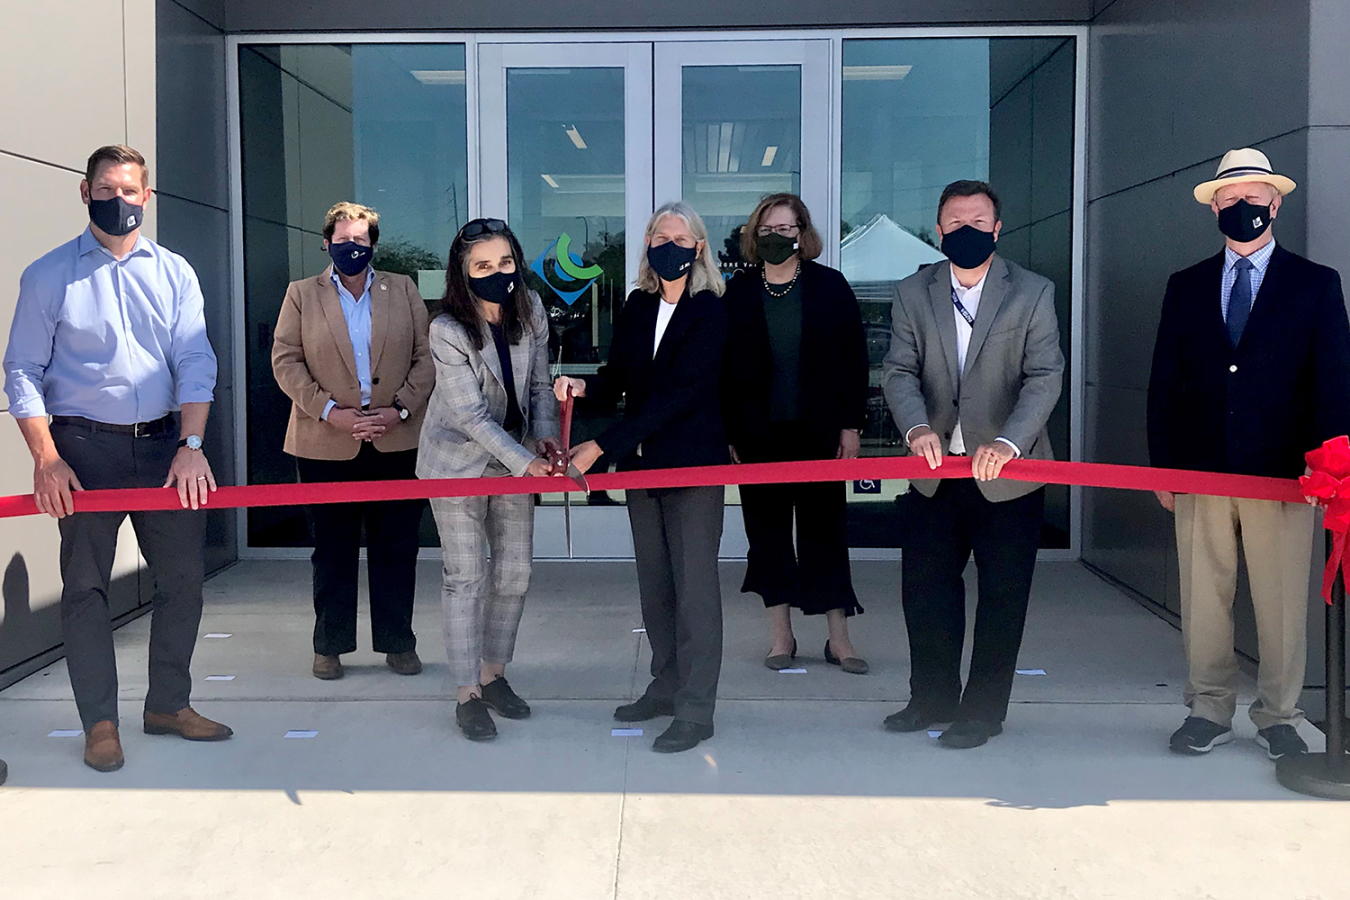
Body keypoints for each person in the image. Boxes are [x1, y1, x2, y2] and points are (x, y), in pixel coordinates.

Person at [2, 145, 231, 773]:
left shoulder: (176, 273)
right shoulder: (49, 275)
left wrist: (191, 446)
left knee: (183, 581)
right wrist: (46, 458)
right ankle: (100, 723)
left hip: (165, 449)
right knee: (85, 590)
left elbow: (195, 362)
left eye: (131, 190)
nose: (120, 200)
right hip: (83, 450)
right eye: (107, 188)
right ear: (84, 193)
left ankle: (167, 705)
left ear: (146, 197)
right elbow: (21, 369)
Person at [1148, 148, 1350, 761]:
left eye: (1253, 197)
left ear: (1276, 202)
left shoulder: (1316, 284)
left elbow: (1333, 382)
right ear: (1214, 210)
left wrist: (1329, 468)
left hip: (1286, 475)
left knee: (1282, 600)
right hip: (1202, 469)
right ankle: (1208, 708)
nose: (1242, 208)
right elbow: (1166, 382)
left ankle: (1278, 716)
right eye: (1229, 199)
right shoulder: (1184, 286)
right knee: (1203, 597)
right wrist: (1165, 468)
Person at [881, 180, 1064, 749]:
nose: (967, 230)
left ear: (997, 228)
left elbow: (1045, 376)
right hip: (935, 473)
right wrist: (915, 428)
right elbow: (899, 371)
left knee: (1003, 597)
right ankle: (930, 697)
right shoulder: (914, 291)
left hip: (1008, 476)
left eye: (978, 221)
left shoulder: (1031, 292)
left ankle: (982, 711)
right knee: (926, 591)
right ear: (938, 229)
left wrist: (1009, 443)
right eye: (955, 222)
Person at [556, 201, 729, 754]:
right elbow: (619, 378)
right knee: (656, 585)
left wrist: (603, 445)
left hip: (692, 465)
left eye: (680, 237)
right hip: (643, 467)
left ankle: (696, 708)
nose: (668, 244)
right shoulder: (636, 305)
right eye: (659, 235)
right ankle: (666, 684)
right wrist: (585, 389)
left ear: (699, 248)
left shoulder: (711, 311)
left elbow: (682, 394)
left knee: (696, 590)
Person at [271, 202, 435, 681]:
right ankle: (330, 646)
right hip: (324, 441)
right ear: (326, 243)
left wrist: (400, 408)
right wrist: (331, 412)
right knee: (332, 549)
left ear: (373, 246)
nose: (351, 249)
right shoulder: (301, 294)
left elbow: (426, 356)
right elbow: (286, 360)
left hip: (396, 437)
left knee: (397, 546)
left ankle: (398, 642)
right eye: (342, 241)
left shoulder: (401, 289)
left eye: (360, 242)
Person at [417, 218, 560, 741]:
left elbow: (540, 384)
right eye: (483, 266)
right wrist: (528, 463)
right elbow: (471, 418)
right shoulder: (446, 329)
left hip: (516, 454)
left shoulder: (531, 309)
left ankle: (493, 674)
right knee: (466, 577)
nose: (497, 274)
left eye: (505, 263)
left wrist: (545, 439)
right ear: (463, 273)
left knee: (516, 572)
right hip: (456, 461)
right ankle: (466, 694)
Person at [722, 193, 870, 673]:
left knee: (825, 532)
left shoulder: (830, 287)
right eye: (767, 229)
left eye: (786, 229)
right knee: (767, 536)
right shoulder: (739, 292)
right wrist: (729, 432)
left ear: (803, 234)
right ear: (754, 235)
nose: (776, 237)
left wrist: (851, 425)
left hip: (819, 433)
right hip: (758, 436)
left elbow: (854, 360)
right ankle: (781, 638)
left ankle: (839, 640)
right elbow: (722, 371)